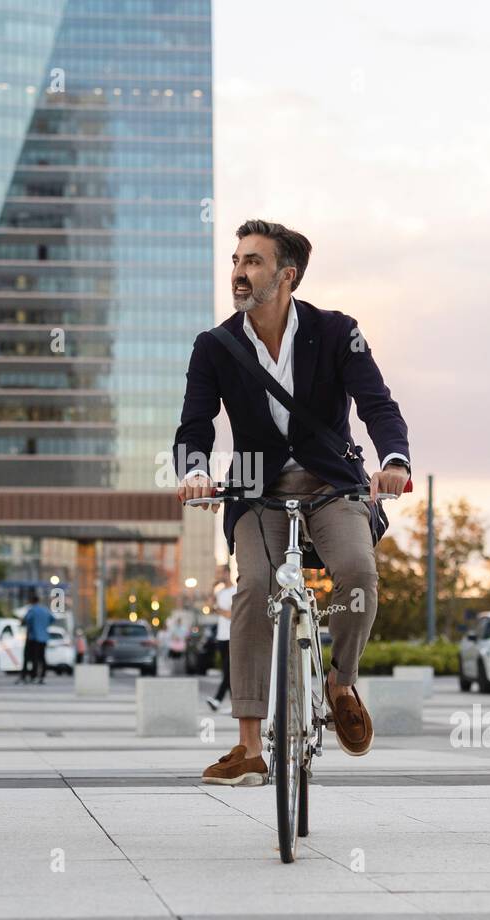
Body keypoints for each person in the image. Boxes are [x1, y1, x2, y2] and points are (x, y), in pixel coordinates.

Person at [174, 219, 411, 786]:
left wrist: (395, 461)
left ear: (287, 275)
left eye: (253, 261)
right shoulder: (216, 346)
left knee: (356, 571)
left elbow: (377, 403)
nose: (238, 271)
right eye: (235, 260)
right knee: (254, 587)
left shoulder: (337, 332)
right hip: (255, 490)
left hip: (333, 483)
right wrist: (195, 472)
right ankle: (250, 745)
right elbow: (195, 423)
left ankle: (341, 683)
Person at [205, 565, 236, 712]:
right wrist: (212, 587)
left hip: (232, 636)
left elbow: (230, 614)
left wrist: (217, 609)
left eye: (219, 573)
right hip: (221, 636)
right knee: (227, 672)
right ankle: (234, 704)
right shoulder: (221, 592)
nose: (218, 575)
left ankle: (217, 700)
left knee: (229, 670)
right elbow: (209, 606)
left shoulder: (235, 591)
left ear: (227, 573)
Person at [18, 593, 53, 685]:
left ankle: (30, 676)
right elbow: (52, 618)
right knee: (42, 658)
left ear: (31, 601)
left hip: (33, 637)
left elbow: (26, 620)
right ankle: (42, 676)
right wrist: (44, 625)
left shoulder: (32, 610)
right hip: (44, 637)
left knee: (30, 657)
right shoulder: (45, 610)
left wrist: (24, 623)